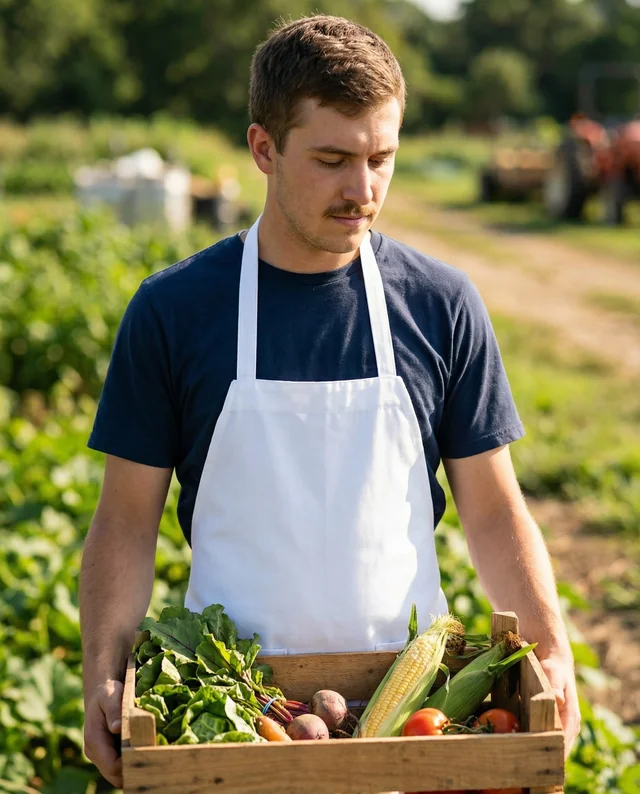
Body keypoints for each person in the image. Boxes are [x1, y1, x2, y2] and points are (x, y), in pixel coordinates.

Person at [79, 14, 580, 788]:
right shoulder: (175, 311)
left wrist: (551, 646)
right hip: (231, 721)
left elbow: (492, 508)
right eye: (334, 159)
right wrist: (104, 676)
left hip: (413, 716)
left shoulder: (440, 304)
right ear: (263, 149)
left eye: (383, 158)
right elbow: (124, 520)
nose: (364, 190)